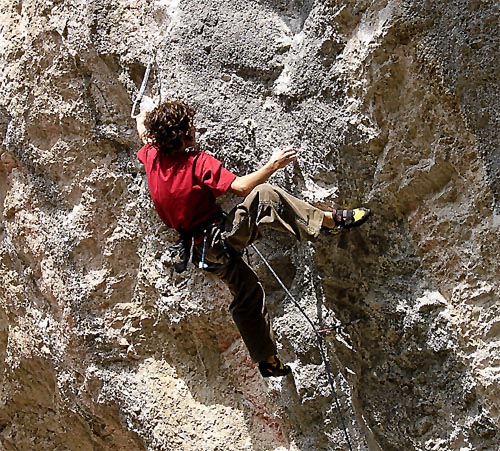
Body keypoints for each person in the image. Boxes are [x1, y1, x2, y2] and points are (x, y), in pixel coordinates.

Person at [135, 100, 370, 378]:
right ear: (183, 134)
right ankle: (328, 222)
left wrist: (144, 113)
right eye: (190, 126)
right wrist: (273, 164)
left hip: (199, 252)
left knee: (247, 292)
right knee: (266, 196)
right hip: (218, 238)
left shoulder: (153, 157)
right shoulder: (196, 163)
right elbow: (242, 187)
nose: (195, 129)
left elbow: (142, 130)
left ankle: (267, 360)